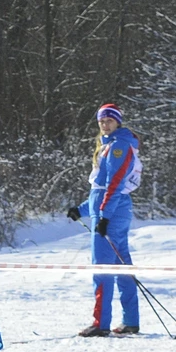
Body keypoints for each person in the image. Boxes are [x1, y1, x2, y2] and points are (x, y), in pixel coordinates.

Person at [67, 105, 141, 337]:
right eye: (101, 120)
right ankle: (131, 320)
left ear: (118, 122)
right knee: (120, 265)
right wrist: (81, 209)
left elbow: (114, 184)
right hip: (111, 209)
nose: (105, 124)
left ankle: (101, 323)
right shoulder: (110, 144)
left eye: (109, 120)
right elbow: (100, 189)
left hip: (111, 212)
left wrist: (104, 216)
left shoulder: (118, 146)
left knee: (102, 268)